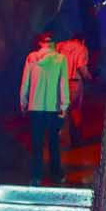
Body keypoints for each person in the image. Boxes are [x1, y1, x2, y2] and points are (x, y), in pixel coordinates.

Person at [19, 31, 72, 185]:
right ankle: (56, 174)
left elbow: (25, 83)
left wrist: (23, 103)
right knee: (53, 143)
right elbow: (63, 84)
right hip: (53, 108)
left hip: (35, 107)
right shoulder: (61, 59)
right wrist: (64, 105)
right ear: (53, 43)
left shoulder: (31, 58)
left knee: (36, 144)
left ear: (40, 43)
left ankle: (36, 176)